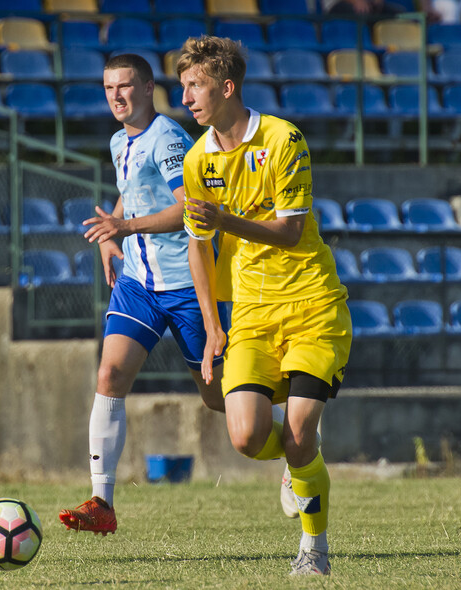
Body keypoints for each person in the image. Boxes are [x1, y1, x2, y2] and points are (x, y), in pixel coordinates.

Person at [57, 53, 290, 536]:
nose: (116, 96)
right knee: (110, 372)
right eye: (108, 89)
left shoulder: (167, 139)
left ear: (147, 90)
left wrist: (124, 224)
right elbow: (132, 189)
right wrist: (113, 235)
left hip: (187, 285)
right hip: (139, 284)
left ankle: (296, 437)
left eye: (125, 86)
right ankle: (102, 501)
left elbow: (188, 209)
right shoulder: (121, 139)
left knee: (217, 396)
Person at [178, 36, 352, 576]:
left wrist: (225, 219)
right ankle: (298, 463)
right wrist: (211, 326)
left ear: (227, 88)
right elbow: (197, 247)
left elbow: (292, 229)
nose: (185, 97)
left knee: (298, 432)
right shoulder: (196, 159)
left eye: (194, 86)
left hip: (311, 305)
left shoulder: (282, 139)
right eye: (182, 86)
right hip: (251, 314)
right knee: (247, 436)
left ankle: (313, 550)